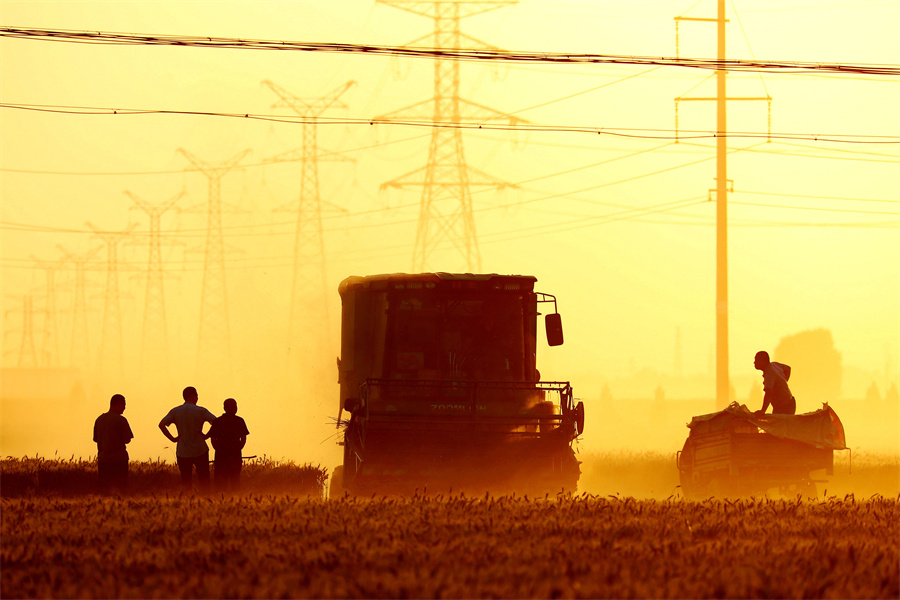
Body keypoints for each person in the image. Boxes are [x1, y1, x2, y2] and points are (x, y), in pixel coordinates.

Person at [159, 386, 216, 493]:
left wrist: (173, 439)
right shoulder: (201, 411)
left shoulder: (175, 411)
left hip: (183, 450)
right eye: (197, 395)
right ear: (193, 396)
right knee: (204, 480)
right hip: (200, 449)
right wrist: (206, 435)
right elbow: (216, 422)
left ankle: (187, 499)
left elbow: (161, 424)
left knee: (186, 480)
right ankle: (205, 498)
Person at [93, 393, 134, 494]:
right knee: (121, 489)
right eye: (124, 405)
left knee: (104, 490)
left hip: (103, 460)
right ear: (118, 404)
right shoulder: (121, 420)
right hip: (119, 460)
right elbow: (127, 439)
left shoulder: (99, 420)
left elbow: (96, 439)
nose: (124, 408)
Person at [207, 397, 250, 492]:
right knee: (235, 481)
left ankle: (220, 501)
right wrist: (239, 448)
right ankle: (235, 499)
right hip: (235, 455)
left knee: (220, 482)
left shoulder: (218, 421)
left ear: (224, 408)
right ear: (235, 408)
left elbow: (213, 438)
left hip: (220, 455)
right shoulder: (239, 421)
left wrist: (217, 449)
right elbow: (243, 438)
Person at [754, 351, 796, 415]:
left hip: (784, 406)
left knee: (779, 424)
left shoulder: (769, 374)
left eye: (756, 360)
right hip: (789, 402)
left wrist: (763, 411)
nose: (754, 362)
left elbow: (768, 394)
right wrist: (782, 383)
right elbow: (788, 369)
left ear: (763, 361)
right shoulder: (774, 365)